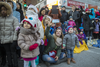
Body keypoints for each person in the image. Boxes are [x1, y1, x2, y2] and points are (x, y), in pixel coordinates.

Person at [0, 2, 19, 67]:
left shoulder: (14, 19)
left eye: (4, 10)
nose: (3, 11)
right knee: (7, 53)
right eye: (1, 10)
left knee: (13, 53)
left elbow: (16, 30)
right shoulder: (0, 19)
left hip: (12, 40)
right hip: (4, 40)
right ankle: (10, 65)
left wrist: (14, 40)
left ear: (8, 10)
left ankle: (16, 65)